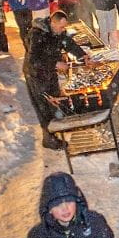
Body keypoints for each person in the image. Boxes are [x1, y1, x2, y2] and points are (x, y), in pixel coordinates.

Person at [23, 11, 91, 150]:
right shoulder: (37, 34)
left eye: (64, 27)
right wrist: (55, 63)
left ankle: (56, 130)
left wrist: (82, 55)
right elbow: (34, 59)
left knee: (55, 99)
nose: (63, 30)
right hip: (36, 74)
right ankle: (48, 139)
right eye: (61, 27)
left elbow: (68, 43)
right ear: (53, 23)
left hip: (49, 72)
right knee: (44, 105)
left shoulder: (58, 32)